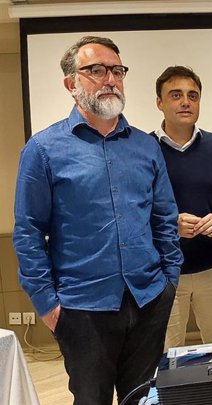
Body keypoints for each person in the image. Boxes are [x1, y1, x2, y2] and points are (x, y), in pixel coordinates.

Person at [13, 36, 181, 405]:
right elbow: (28, 233)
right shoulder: (43, 150)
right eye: (96, 70)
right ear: (71, 84)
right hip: (81, 308)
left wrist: (168, 281)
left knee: (143, 399)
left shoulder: (145, 146)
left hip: (148, 298)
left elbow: (165, 218)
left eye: (117, 70)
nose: (110, 79)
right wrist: (48, 305)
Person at [152, 66, 212, 351]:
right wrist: (169, 225)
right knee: (164, 357)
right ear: (160, 103)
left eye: (193, 95)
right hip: (162, 273)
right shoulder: (142, 149)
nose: (185, 102)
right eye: (175, 95)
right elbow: (129, 210)